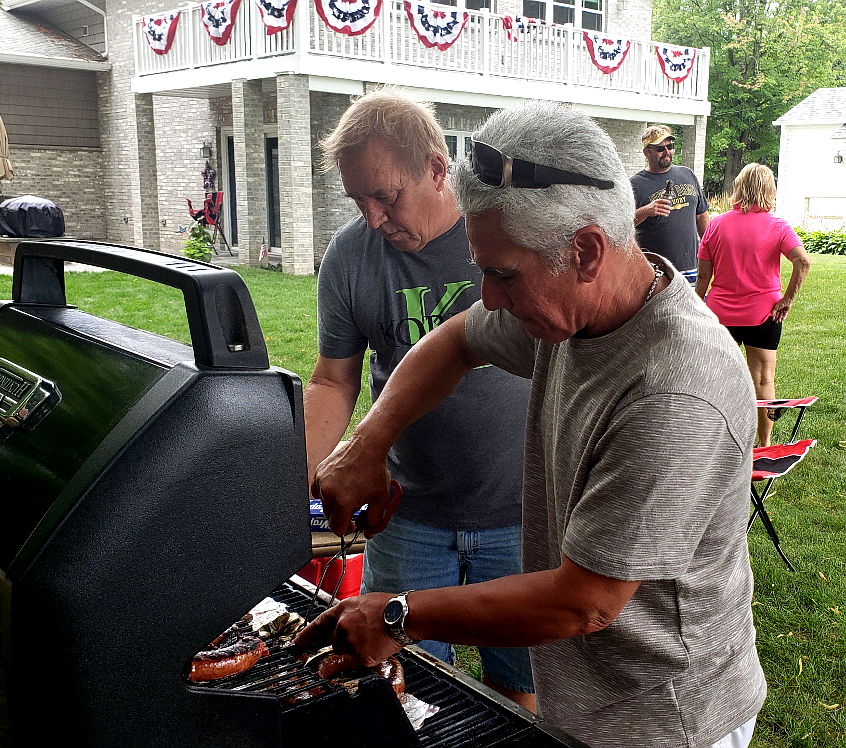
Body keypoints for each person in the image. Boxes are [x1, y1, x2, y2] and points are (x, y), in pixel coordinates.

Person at [297, 101, 765, 748]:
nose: (487, 297)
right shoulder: (573, 313)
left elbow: (585, 601)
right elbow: (457, 339)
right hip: (591, 701)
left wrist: (400, 614)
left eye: (500, 274)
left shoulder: (677, 386)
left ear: (586, 250)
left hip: (668, 719)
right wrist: (369, 443)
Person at [303, 89, 535, 708]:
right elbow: (333, 380)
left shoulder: (500, 234)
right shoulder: (351, 256)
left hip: (520, 511)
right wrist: (298, 478)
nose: (373, 217)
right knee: (402, 689)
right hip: (409, 518)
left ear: (436, 169)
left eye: (385, 195)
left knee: (519, 692)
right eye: (358, 200)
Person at [696, 163, 811, 447]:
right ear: (769, 190)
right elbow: (803, 260)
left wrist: (698, 305)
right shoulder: (778, 226)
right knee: (763, 382)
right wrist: (787, 299)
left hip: (720, 316)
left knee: (718, 381)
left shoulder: (717, 224)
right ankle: (764, 446)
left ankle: (717, 444)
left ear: (738, 187)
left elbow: (703, 276)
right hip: (765, 314)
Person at [631, 125, 710, 282]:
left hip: (691, 268)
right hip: (657, 273)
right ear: (647, 152)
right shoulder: (635, 184)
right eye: (661, 148)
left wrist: (710, 251)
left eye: (670, 146)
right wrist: (646, 210)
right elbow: (623, 224)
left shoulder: (687, 174)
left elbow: (701, 217)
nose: (667, 152)